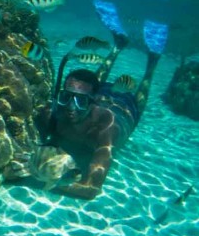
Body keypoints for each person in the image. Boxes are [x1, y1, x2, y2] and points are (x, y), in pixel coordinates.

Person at [34, 11, 166, 199]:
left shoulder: (105, 130)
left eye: (79, 101)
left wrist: (46, 181)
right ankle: (118, 46)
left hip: (124, 111)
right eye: (66, 97)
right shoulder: (52, 114)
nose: (70, 107)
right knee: (92, 81)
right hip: (97, 98)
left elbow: (90, 190)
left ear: (93, 101)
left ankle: (152, 62)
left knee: (138, 100)